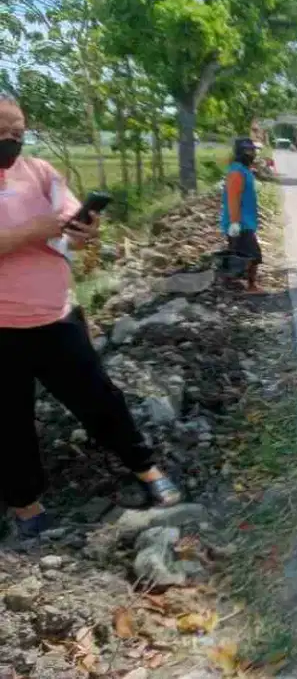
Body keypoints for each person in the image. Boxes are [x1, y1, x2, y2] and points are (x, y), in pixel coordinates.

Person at [0, 97, 181, 538]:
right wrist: (31, 232)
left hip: (56, 317)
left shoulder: (41, 173)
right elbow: (39, 231)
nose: (11, 140)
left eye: (18, 131)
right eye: (2, 132)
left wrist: (85, 233)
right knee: (9, 422)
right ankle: (26, 506)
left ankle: (145, 467)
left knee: (101, 399)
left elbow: (71, 234)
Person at [221, 137, 264, 294]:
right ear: (240, 152)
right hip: (239, 222)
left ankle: (233, 285)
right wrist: (234, 222)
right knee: (252, 255)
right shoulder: (236, 172)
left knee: (240, 254)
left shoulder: (244, 170)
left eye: (252, 150)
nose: (251, 153)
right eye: (248, 150)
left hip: (245, 221)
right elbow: (233, 198)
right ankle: (250, 286)